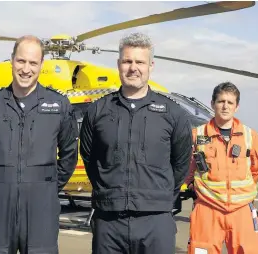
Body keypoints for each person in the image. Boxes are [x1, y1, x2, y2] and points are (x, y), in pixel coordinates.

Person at [79, 32, 193, 254]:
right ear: (118, 64)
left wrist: (156, 197)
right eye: (127, 61)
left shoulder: (172, 113)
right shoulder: (98, 110)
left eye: (140, 62)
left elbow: (180, 163)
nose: (133, 68)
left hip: (155, 220)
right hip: (109, 221)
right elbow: (90, 158)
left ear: (151, 66)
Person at [0, 35, 79, 254]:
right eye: (21, 61)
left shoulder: (59, 105)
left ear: (41, 65)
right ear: (12, 61)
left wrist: (47, 187)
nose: (26, 69)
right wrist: (3, 181)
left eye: (33, 63)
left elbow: (69, 155)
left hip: (42, 205)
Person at [186, 82, 258, 254]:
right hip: (207, 209)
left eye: (230, 102)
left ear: (236, 107)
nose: (225, 106)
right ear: (212, 103)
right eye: (221, 101)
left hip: (242, 209)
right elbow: (187, 168)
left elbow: (256, 168)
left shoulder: (249, 135)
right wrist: (193, 185)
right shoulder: (197, 135)